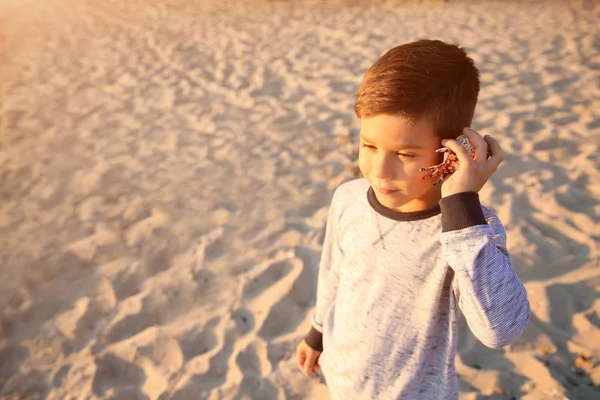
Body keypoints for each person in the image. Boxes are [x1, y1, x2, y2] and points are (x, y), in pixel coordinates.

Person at [295, 39, 530, 399]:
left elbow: (501, 329)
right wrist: (317, 333)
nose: (379, 170)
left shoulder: (469, 233)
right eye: (369, 146)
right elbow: (335, 274)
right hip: (342, 379)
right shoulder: (349, 198)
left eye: (405, 153)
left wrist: (463, 209)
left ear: (452, 153)